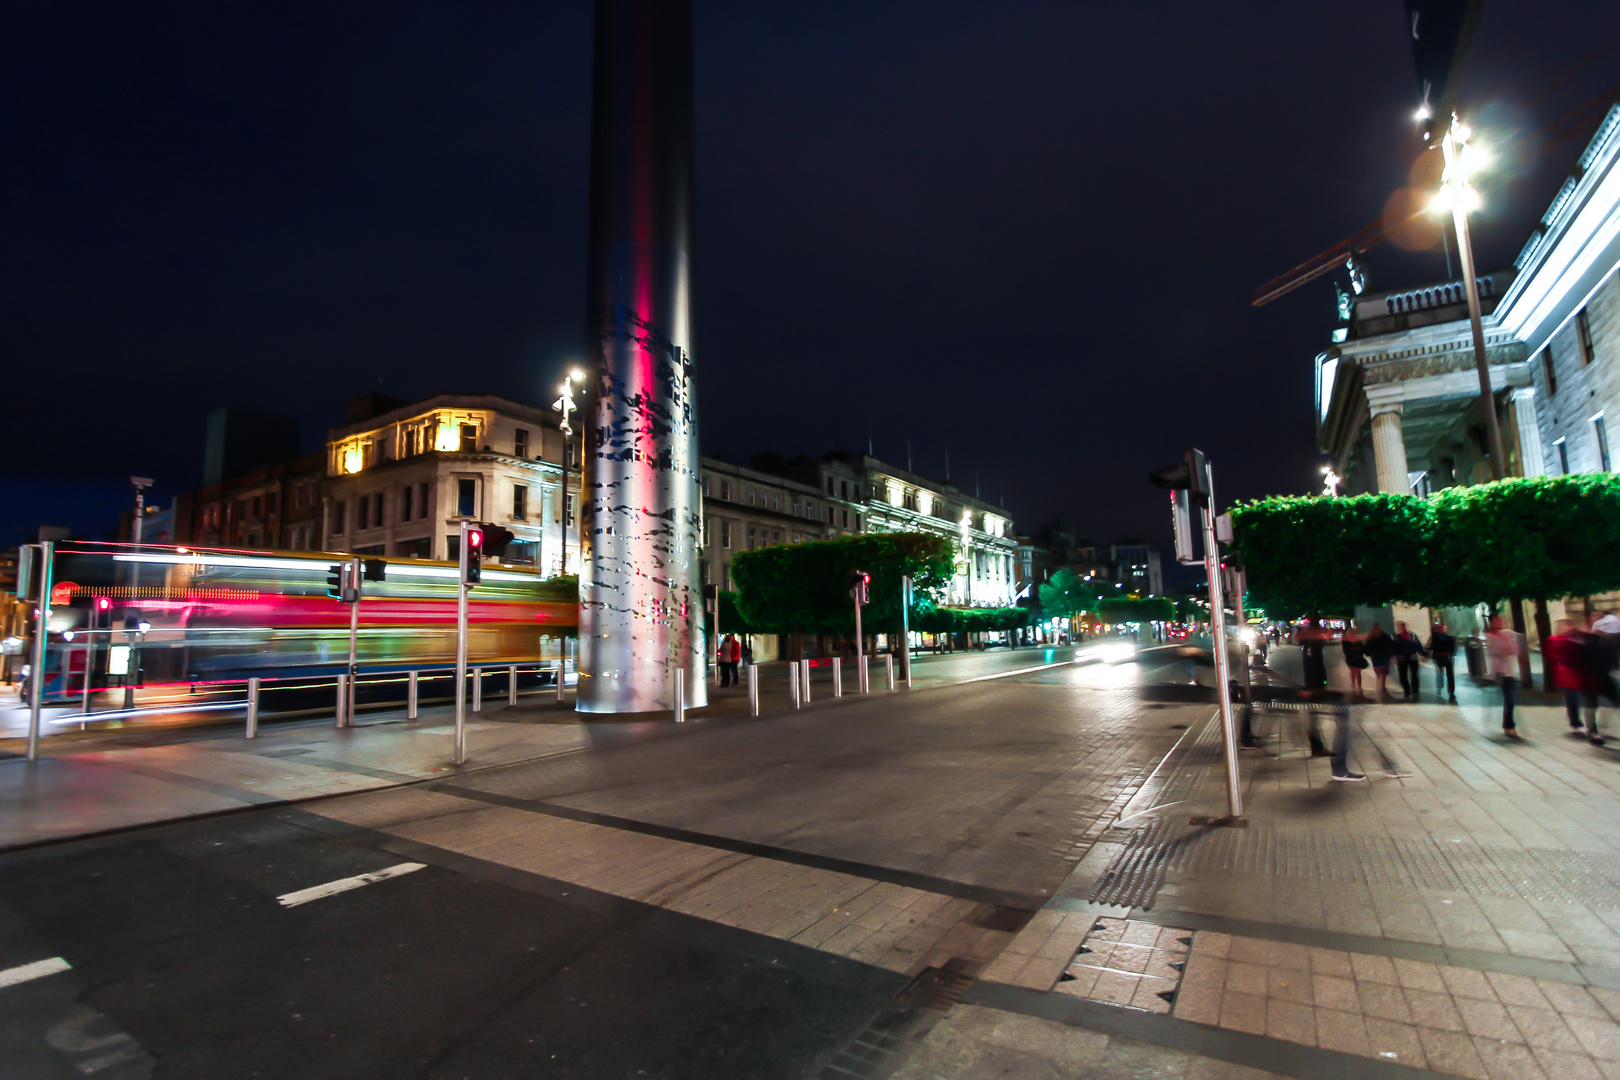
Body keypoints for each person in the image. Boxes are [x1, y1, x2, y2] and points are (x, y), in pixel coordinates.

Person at [1546, 619, 1591, 736]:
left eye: (1568, 626)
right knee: (1573, 698)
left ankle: (1578, 720)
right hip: (1566, 674)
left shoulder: (1576, 639)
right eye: (1564, 626)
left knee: (1583, 698)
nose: (1567, 628)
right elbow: (1553, 655)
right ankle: (1576, 723)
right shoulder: (1554, 640)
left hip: (1579, 673)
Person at [1486, 615, 1523, 737]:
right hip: (1499, 672)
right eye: (1496, 620)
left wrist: (1506, 640)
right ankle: (1509, 725)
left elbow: (1513, 650)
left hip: (1510, 671)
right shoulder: (1489, 636)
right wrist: (1505, 647)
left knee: (1510, 699)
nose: (1500, 622)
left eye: (1501, 620)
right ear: (1491, 622)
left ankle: (1508, 724)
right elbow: (1495, 651)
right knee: (1509, 698)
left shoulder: (1508, 633)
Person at [1427, 621, 1458, 703]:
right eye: (1440, 627)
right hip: (1440, 658)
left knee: (1449, 675)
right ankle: (1441, 687)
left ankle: (1450, 691)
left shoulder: (1445, 638)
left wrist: (1451, 654)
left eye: (1442, 627)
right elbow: (1430, 647)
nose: (1441, 629)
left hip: (1445, 658)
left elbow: (1453, 648)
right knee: (1442, 674)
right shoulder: (1436, 638)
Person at [1393, 621, 1424, 700]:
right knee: (1403, 676)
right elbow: (1393, 648)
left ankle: (1415, 690)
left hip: (1412, 657)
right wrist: (1394, 657)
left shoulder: (1412, 636)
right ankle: (1407, 690)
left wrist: (1423, 654)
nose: (1402, 627)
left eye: (1403, 625)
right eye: (1400, 626)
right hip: (1401, 659)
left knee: (1414, 675)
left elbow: (1418, 646)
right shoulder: (1395, 637)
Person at [1363, 624, 1394, 699]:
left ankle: (1382, 686)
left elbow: (1367, 646)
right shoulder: (1383, 636)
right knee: (1381, 671)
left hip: (1380, 656)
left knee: (1381, 671)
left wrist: (1368, 653)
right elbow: (1390, 645)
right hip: (1380, 656)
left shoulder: (1373, 636)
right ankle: (1382, 686)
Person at [1340, 626, 1368, 699]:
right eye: (1351, 633)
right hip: (1351, 659)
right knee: (1353, 671)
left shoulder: (1357, 641)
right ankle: (1354, 685)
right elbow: (1345, 651)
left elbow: (1363, 649)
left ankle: (1358, 686)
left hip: (1358, 658)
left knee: (1357, 672)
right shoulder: (1346, 642)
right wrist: (1356, 649)